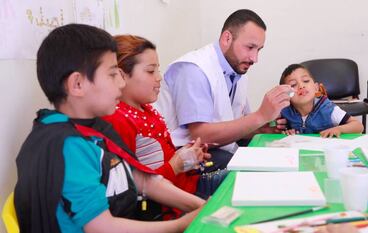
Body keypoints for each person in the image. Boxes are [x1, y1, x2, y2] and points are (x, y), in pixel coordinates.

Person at [13, 24, 204, 233]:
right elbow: (102, 227)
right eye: (113, 74)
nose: (121, 83)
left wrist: (201, 206)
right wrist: (179, 226)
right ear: (77, 84)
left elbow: (145, 181)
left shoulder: (97, 127)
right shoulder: (67, 146)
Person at [156, 9, 291, 164]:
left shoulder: (237, 71)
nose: (255, 58)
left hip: (215, 150)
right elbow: (201, 136)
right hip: (180, 159)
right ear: (227, 38)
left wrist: (260, 128)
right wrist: (260, 116)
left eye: (258, 50)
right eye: (250, 47)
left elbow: (231, 126)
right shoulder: (194, 69)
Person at [103, 35, 227, 200]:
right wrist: (176, 165)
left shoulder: (147, 109)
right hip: (172, 203)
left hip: (189, 186)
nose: (159, 77)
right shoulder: (119, 119)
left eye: (158, 70)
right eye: (150, 71)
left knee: (242, 176)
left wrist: (188, 157)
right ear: (122, 75)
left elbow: (165, 162)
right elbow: (135, 187)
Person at [278, 64, 364, 137]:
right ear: (286, 95)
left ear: (316, 88)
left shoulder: (328, 109)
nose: (301, 86)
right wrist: (286, 132)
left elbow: (358, 126)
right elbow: (273, 132)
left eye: (306, 81)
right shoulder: (284, 111)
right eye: (293, 85)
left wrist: (339, 129)